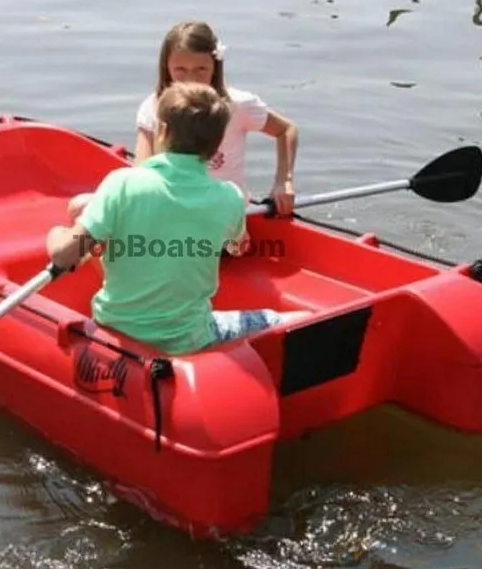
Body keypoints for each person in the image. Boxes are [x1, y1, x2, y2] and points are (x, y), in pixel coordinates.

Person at [46, 81, 311, 356]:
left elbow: (63, 256)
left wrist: (56, 234)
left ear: (163, 130)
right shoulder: (230, 197)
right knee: (291, 319)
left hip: (116, 326)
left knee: (112, 243)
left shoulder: (121, 183)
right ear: (217, 143)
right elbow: (236, 247)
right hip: (189, 337)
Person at [67, 20, 299, 256]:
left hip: (219, 216)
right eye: (180, 70)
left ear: (215, 66)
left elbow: (286, 129)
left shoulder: (237, 105)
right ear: (166, 67)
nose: (191, 80)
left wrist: (284, 181)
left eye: (201, 69)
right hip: (172, 211)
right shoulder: (153, 108)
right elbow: (142, 172)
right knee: (79, 207)